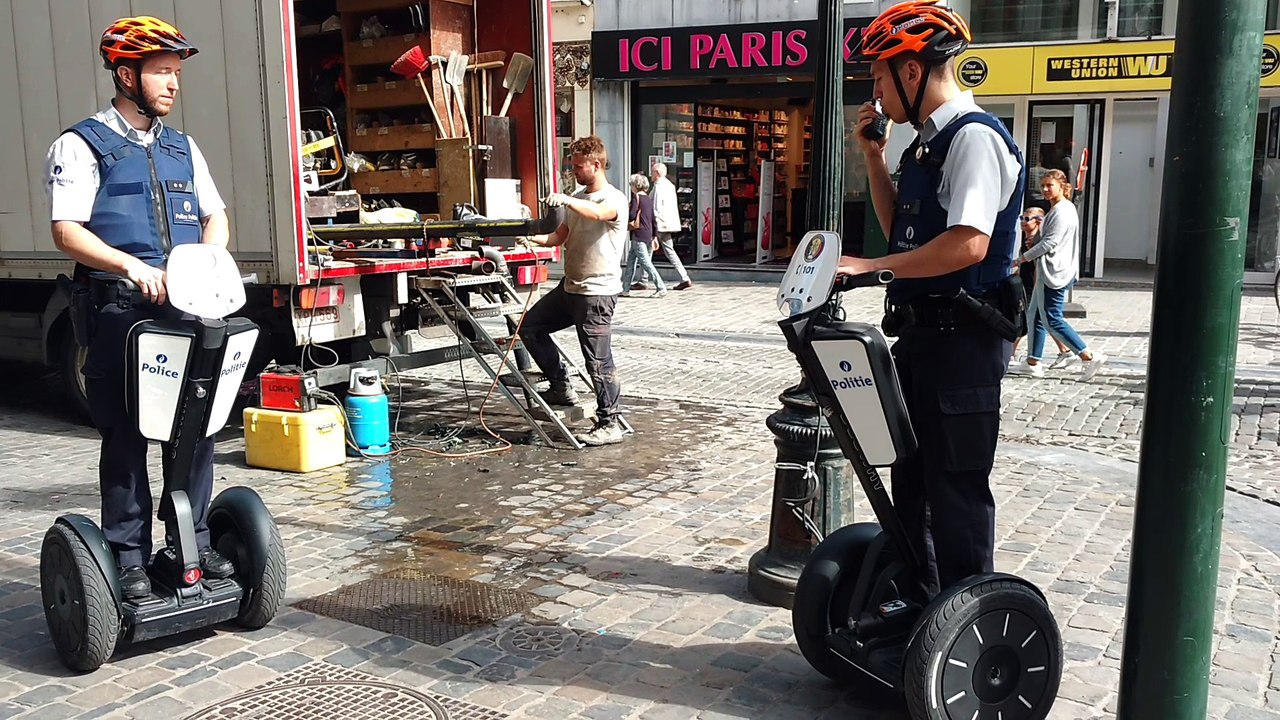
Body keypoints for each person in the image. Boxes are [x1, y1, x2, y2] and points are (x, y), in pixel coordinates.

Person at [836, 0, 1026, 592]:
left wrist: (871, 268)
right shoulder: (922, 144)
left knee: (956, 490)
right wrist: (873, 158)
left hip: (963, 340)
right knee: (912, 482)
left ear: (911, 72)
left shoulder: (973, 139)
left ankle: (969, 622)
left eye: (878, 76)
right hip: (922, 337)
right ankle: (925, 609)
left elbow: (967, 245)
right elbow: (905, 234)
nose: (875, 91)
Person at [45, 16, 234, 600]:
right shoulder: (81, 145)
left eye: (177, 73)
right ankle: (127, 557)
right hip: (118, 313)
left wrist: (207, 259)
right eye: (163, 73)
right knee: (126, 436)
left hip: (183, 309)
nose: (174, 84)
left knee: (195, 431)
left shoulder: (183, 147)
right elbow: (66, 231)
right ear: (127, 75)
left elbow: (215, 214)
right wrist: (131, 266)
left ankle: (191, 544)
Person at [520, 136, 629, 446]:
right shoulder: (579, 197)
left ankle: (610, 422)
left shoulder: (614, 198)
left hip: (597, 292)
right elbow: (558, 236)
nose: (575, 171)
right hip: (570, 289)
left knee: (598, 360)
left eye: (579, 166)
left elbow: (597, 214)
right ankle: (560, 386)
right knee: (529, 327)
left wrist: (567, 200)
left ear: (596, 164)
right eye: (573, 166)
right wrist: (531, 240)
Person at [1009, 170, 1108, 380]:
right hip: (1049, 270)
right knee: (1034, 314)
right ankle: (1033, 362)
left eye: (1049, 185)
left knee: (1051, 317)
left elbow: (1049, 243)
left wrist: (1021, 258)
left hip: (1055, 271)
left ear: (1062, 186)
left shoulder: (1062, 211)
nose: (1045, 189)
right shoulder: (1058, 209)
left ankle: (1087, 356)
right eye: (1043, 185)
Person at [1011, 207, 1072, 365]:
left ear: (1038, 222)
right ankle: (1064, 350)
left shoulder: (1036, 241)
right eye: (1022, 218)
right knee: (1039, 320)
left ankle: (1011, 354)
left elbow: (1038, 266)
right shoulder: (1026, 240)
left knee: (1026, 320)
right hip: (1025, 283)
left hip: (1034, 285)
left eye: (1027, 219)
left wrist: (1038, 285)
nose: (1023, 222)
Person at [647, 162, 694, 291]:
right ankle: (684, 277)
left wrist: (654, 224)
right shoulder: (669, 185)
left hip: (660, 224)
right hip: (668, 223)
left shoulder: (658, 186)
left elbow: (656, 207)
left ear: (657, 173)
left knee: (647, 251)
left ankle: (643, 279)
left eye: (652, 172)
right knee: (669, 251)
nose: (651, 174)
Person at [622, 174, 666, 298]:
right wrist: (654, 235)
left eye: (631, 184)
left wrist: (627, 208)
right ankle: (625, 289)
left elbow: (631, 215)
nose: (630, 187)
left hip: (638, 234)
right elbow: (653, 218)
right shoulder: (647, 198)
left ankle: (661, 287)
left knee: (646, 263)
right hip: (648, 234)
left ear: (635, 186)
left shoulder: (636, 197)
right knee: (631, 261)